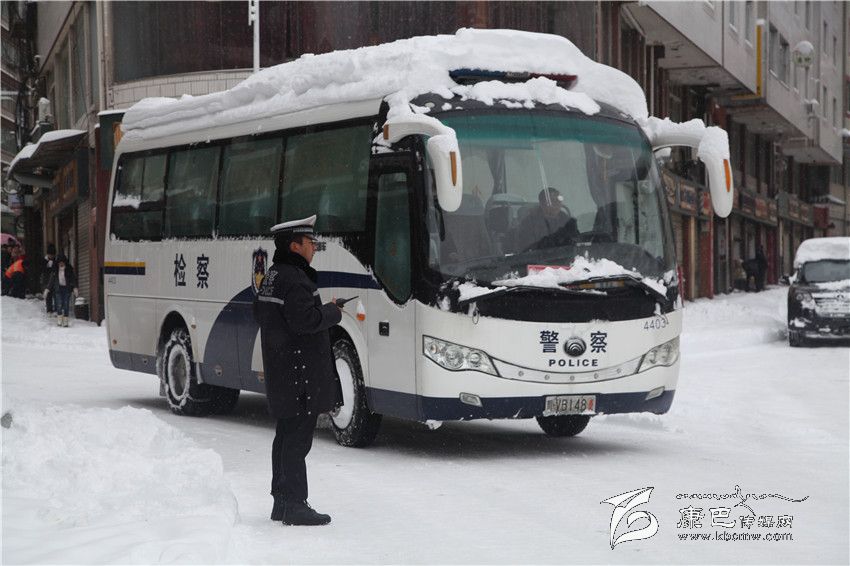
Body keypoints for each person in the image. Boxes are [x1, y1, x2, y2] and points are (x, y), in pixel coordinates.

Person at [253, 214, 343, 526]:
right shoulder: (295, 279)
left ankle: (281, 502)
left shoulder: (274, 275)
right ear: (295, 245)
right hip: (299, 374)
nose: (314, 247)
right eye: (310, 242)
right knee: (297, 440)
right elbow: (305, 321)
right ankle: (294, 504)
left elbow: (264, 315)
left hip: (283, 370)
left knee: (285, 435)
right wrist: (332, 312)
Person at [516, 187, 579, 252]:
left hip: (566, 256)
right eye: (553, 200)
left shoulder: (567, 221)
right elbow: (527, 248)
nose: (557, 203)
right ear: (542, 204)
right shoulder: (529, 223)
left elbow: (576, 241)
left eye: (559, 200)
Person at [45, 254, 77, 327]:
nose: (61, 264)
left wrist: (75, 287)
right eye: (60, 262)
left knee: (66, 304)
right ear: (57, 263)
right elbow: (51, 280)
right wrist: (47, 289)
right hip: (58, 289)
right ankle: (59, 319)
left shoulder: (69, 269)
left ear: (65, 262)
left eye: (62, 262)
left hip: (67, 289)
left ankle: (65, 320)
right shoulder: (55, 270)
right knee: (59, 304)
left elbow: (73, 279)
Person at [42, 244, 57, 314]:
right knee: (48, 295)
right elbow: (42, 270)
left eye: (53, 255)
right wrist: (47, 266)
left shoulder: (56, 260)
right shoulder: (44, 261)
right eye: (50, 255)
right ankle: (49, 309)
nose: (51, 256)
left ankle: (57, 309)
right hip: (46, 279)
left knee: (56, 294)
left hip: (55, 279)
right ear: (48, 254)